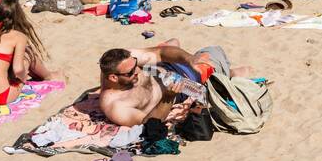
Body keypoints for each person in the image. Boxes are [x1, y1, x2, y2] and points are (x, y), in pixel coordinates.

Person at [97, 42, 245, 128]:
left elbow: (160, 52)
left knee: (173, 46)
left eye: (136, 64)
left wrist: (189, 58)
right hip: (184, 83)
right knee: (215, 53)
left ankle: (223, 72)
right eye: (130, 73)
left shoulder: (123, 60)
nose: (137, 71)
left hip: (169, 68)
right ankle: (228, 74)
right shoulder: (116, 106)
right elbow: (150, 124)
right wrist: (168, 98)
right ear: (113, 78)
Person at [0, 0, 60, 105]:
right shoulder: (19, 36)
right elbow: (18, 70)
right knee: (27, 56)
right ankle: (48, 75)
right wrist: (23, 77)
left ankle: (43, 74)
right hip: (0, 96)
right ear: (18, 16)